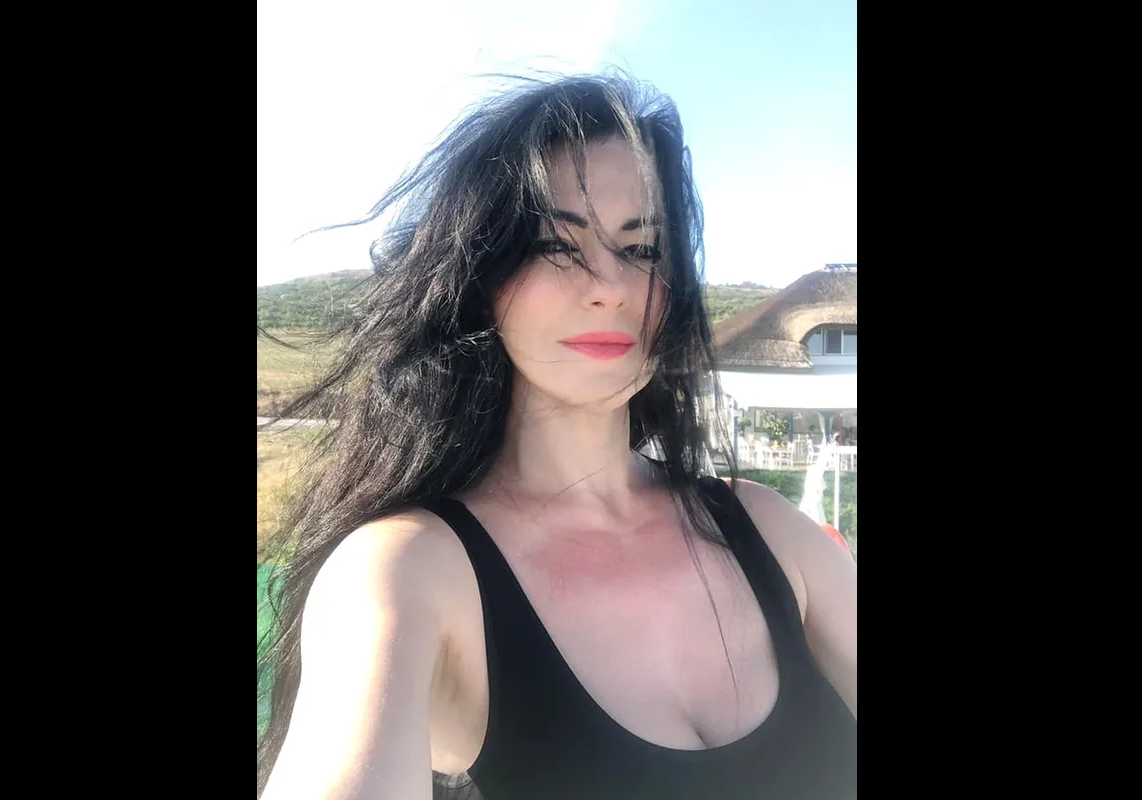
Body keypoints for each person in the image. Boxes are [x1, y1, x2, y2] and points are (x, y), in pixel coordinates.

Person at [257, 72, 856, 800]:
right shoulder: (407, 570)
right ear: (481, 281)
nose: (610, 287)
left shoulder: (766, 527)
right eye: (555, 246)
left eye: (643, 250)